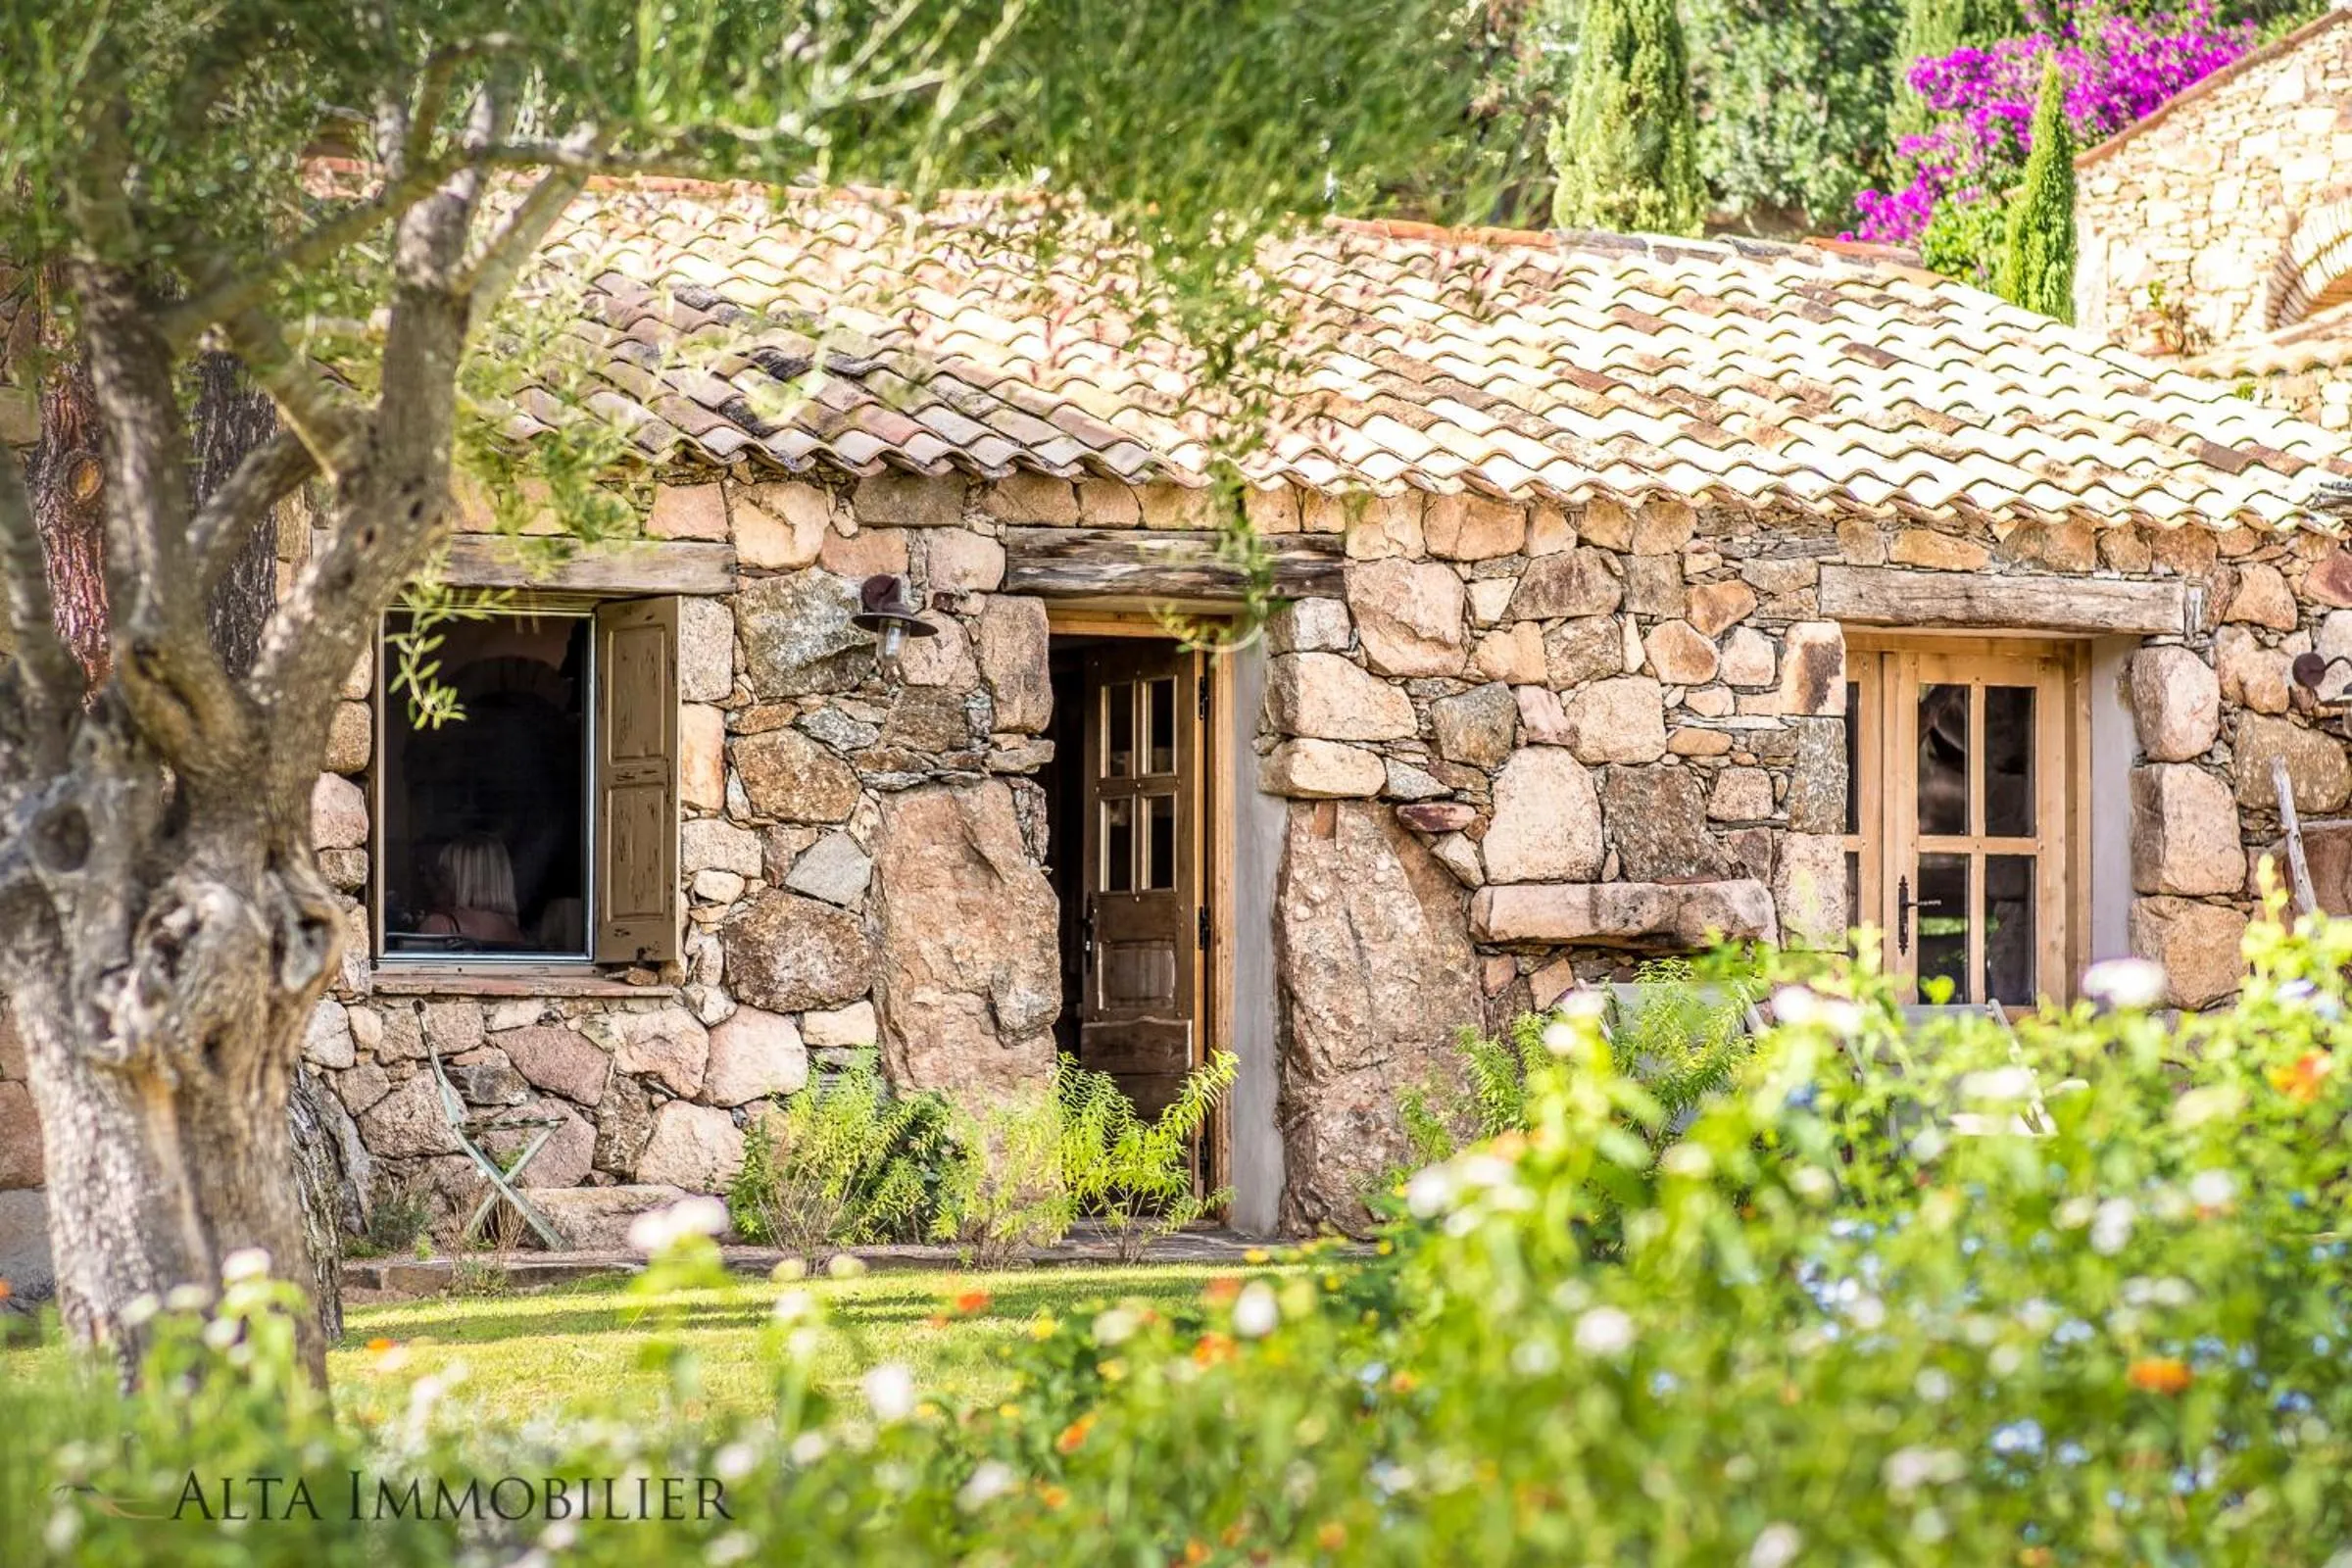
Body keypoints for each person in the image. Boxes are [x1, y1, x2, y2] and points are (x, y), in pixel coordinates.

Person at [418, 833, 528, 946]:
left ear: (463, 880)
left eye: (444, 873)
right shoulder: (514, 932)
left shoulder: (440, 926)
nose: (439, 882)